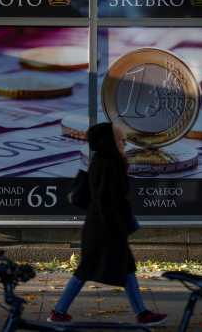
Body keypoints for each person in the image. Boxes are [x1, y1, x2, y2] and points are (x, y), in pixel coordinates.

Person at [48, 122, 167, 326]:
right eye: (120, 140)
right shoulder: (108, 163)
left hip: (103, 225)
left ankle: (142, 313)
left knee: (126, 267)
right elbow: (106, 200)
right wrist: (116, 227)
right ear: (109, 142)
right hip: (105, 228)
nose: (124, 143)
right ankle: (58, 312)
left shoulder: (105, 160)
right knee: (87, 269)